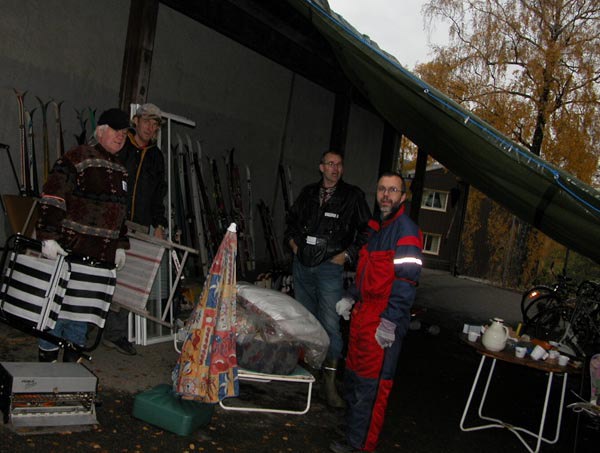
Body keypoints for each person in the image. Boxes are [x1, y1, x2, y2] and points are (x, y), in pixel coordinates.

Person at [329, 172, 423, 453]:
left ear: (402, 197)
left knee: (372, 387)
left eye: (393, 190)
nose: (386, 195)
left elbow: (406, 283)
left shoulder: (406, 232)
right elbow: (365, 273)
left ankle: (361, 445)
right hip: (363, 315)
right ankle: (352, 433)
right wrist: (351, 296)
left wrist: (390, 322)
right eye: (382, 189)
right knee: (354, 379)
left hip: (383, 318)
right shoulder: (374, 228)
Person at [36, 108, 130, 362]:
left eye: (124, 133)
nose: (120, 136)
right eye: (115, 130)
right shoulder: (76, 157)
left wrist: (120, 244)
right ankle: (46, 366)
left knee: (83, 314)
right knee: (57, 311)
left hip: (100, 259)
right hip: (70, 252)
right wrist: (48, 236)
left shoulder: (120, 169)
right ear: (100, 131)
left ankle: (71, 370)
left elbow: (120, 211)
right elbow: (53, 195)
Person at [284, 150, 371, 408]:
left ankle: (330, 385)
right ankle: (310, 374)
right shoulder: (308, 193)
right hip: (302, 266)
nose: (335, 168)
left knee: (331, 324)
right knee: (306, 321)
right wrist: (293, 245)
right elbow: (291, 220)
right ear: (321, 167)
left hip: (329, 268)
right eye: (330, 164)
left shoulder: (353, 196)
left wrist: (348, 254)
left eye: (339, 165)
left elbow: (367, 230)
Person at [102, 103, 167, 356]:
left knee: (129, 281)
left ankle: (114, 334)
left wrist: (159, 224)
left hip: (138, 226)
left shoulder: (156, 157)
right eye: (147, 121)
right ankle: (86, 328)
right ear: (136, 121)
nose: (151, 127)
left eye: (156, 124)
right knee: (101, 274)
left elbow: (158, 194)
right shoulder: (120, 145)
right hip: (111, 221)